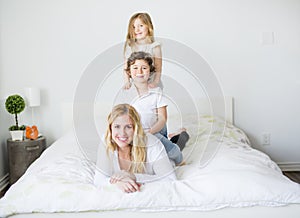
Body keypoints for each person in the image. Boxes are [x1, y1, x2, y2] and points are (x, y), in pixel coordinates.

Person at [115, 51, 189, 166]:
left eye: (144, 68)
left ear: (150, 72)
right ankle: (176, 135)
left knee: (174, 151)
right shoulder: (126, 93)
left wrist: (149, 133)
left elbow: (162, 119)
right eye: (135, 68)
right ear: (129, 72)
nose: (139, 72)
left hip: (154, 132)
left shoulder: (156, 92)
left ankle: (181, 135)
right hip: (134, 134)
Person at [94, 104, 176, 193]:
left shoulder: (152, 143)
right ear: (110, 128)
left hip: (167, 154)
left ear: (135, 129)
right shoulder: (106, 141)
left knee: (175, 149)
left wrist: (133, 176)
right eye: (117, 126)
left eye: (128, 127)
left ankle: (179, 134)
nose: (122, 133)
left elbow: (170, 179)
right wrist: (117, 183)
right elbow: (99, 180)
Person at [123, 12, 162, 89]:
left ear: (149, 27)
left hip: (151, 84)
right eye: (133, 27)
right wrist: (127, 82)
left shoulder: (154, 47)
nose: (136, 30)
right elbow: (125, 67)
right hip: (135, 84)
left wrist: (155, 82)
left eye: (141, 26)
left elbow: (158, 67)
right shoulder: (130, 46)